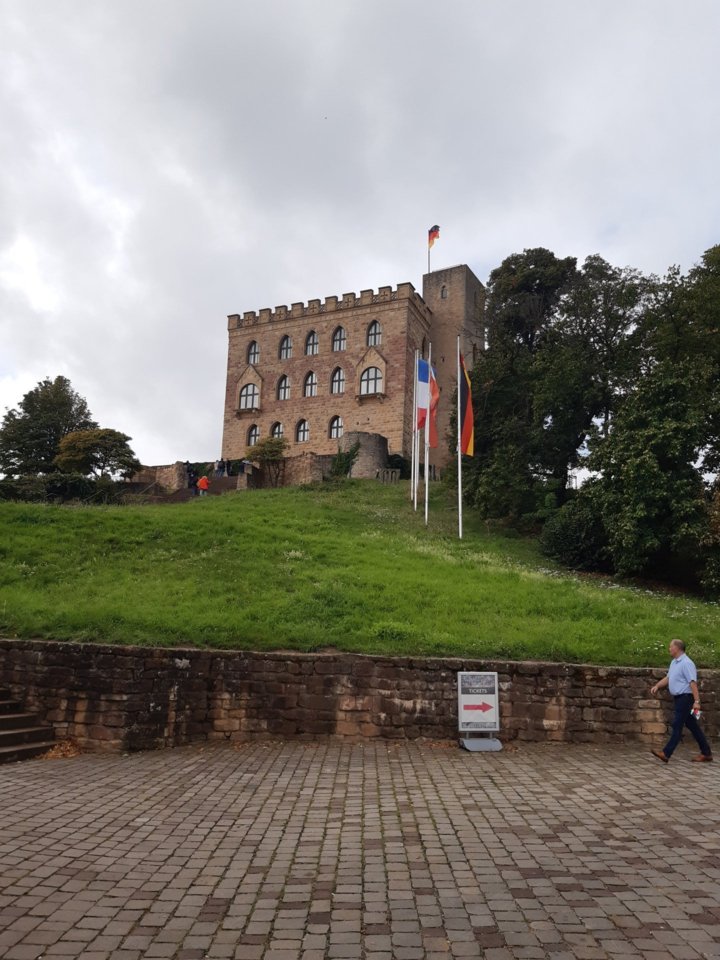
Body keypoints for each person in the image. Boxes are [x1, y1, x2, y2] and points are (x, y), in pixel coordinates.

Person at [650, 639, 713, 763]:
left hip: (686, 699)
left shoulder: (687, 663)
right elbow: (669, 678)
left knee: (677, 725)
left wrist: (697, 702)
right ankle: (706, 753)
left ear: (677, 648)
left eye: (670, 647)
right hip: (679, 699)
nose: (669, 649)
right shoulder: (674, 662)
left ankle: (666, 753)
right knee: (692, 725)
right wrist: (657, 686)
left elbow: (692, 682)